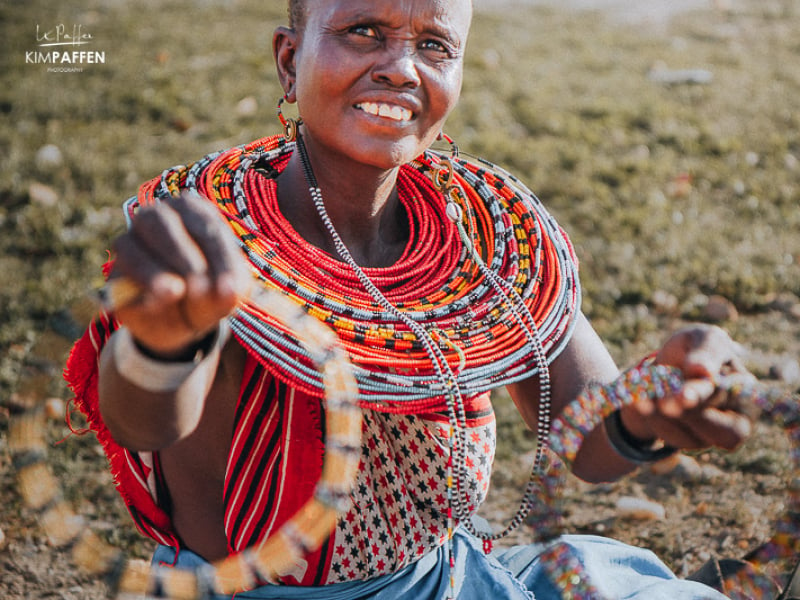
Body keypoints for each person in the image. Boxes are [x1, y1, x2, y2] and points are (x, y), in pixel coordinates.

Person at [65, 0, 758, 598]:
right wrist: (164, 342)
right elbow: (144, 421)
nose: (401, 66)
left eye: (434, 45)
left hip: (452, 579)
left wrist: (652, 406)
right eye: (363, 30)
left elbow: (591, 446)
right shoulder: (218, 245)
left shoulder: (485, 243)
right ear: (288, 59)